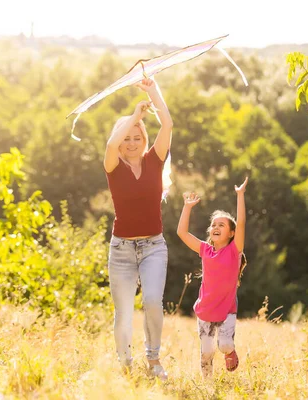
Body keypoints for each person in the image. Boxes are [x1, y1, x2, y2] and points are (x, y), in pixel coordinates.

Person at [104, 77, 173, 380]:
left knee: (152, 301)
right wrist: (134, 115)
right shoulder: (112, 166)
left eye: (137, 136)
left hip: (153, 247)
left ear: (144, 139)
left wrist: (153, 92)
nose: (131, 143)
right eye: (126, 138)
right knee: (123, 313)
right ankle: (124, 364)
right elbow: (109, 144)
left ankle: (154, 360)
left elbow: (168, 124)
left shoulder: (155, 161)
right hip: (121, 250)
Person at [176, 177, 248, 378]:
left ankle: (230, 352)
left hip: (227, 310)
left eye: (222, 225)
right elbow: (181, 232)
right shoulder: (205, 250)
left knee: (224, 345)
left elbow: (241, 223)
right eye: (214, 224)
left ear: (231, 233)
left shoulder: (234, 251)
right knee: (206, 352)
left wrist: (240, 195)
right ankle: (208, 388)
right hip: (205, 309)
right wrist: (187, 207)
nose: (216, 227)